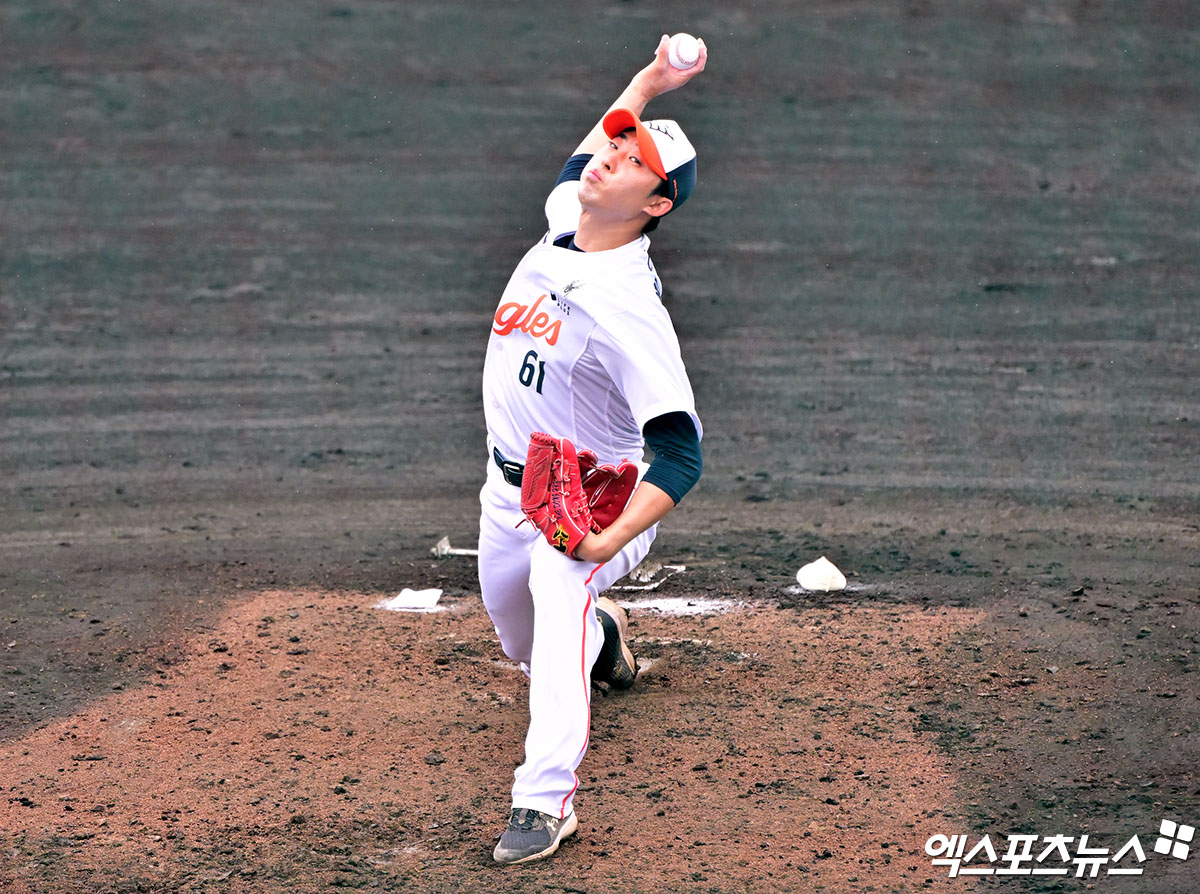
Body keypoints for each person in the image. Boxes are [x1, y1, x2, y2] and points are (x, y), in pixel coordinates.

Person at [477, 33, 708, 865]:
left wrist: (608, 540)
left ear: (658, 204)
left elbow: (679, 453)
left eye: (633, 160)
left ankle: (544, 802)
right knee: (524, 643)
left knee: (558, 584)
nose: (609, 158)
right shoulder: (563, 223)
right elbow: (587, 156)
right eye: (615, 146)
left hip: (594, 502)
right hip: (507, 494)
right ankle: (605, 643)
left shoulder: (629, 308)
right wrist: (649, 82)